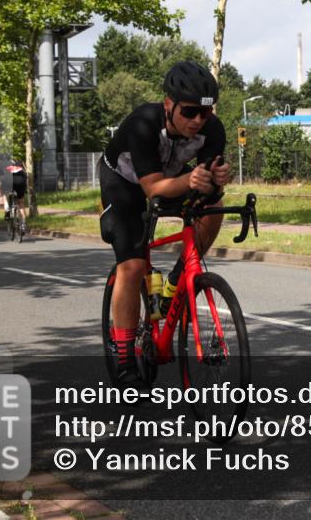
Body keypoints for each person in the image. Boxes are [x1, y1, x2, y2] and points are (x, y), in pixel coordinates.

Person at [99, 60, 231, 386]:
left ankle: (177, 278)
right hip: (124, 182)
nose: (198, 121)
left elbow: (206, 185)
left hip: (173, 179)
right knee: (131, 266)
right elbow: (153, 189)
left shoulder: (213, 129)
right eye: (189, 112)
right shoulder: (144, 122)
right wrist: (194, 179)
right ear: (169, 104)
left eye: (206, 112)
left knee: (214, 205)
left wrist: (216, 181)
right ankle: (126, 360)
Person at [0, 156, 27, 234]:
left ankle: (7, 209)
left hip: (8, 181)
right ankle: (23, 225)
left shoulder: (0, 164)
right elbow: (25, 175)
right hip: (20, 181)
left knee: (5, 194)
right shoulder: (19, 162)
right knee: (21, 203)